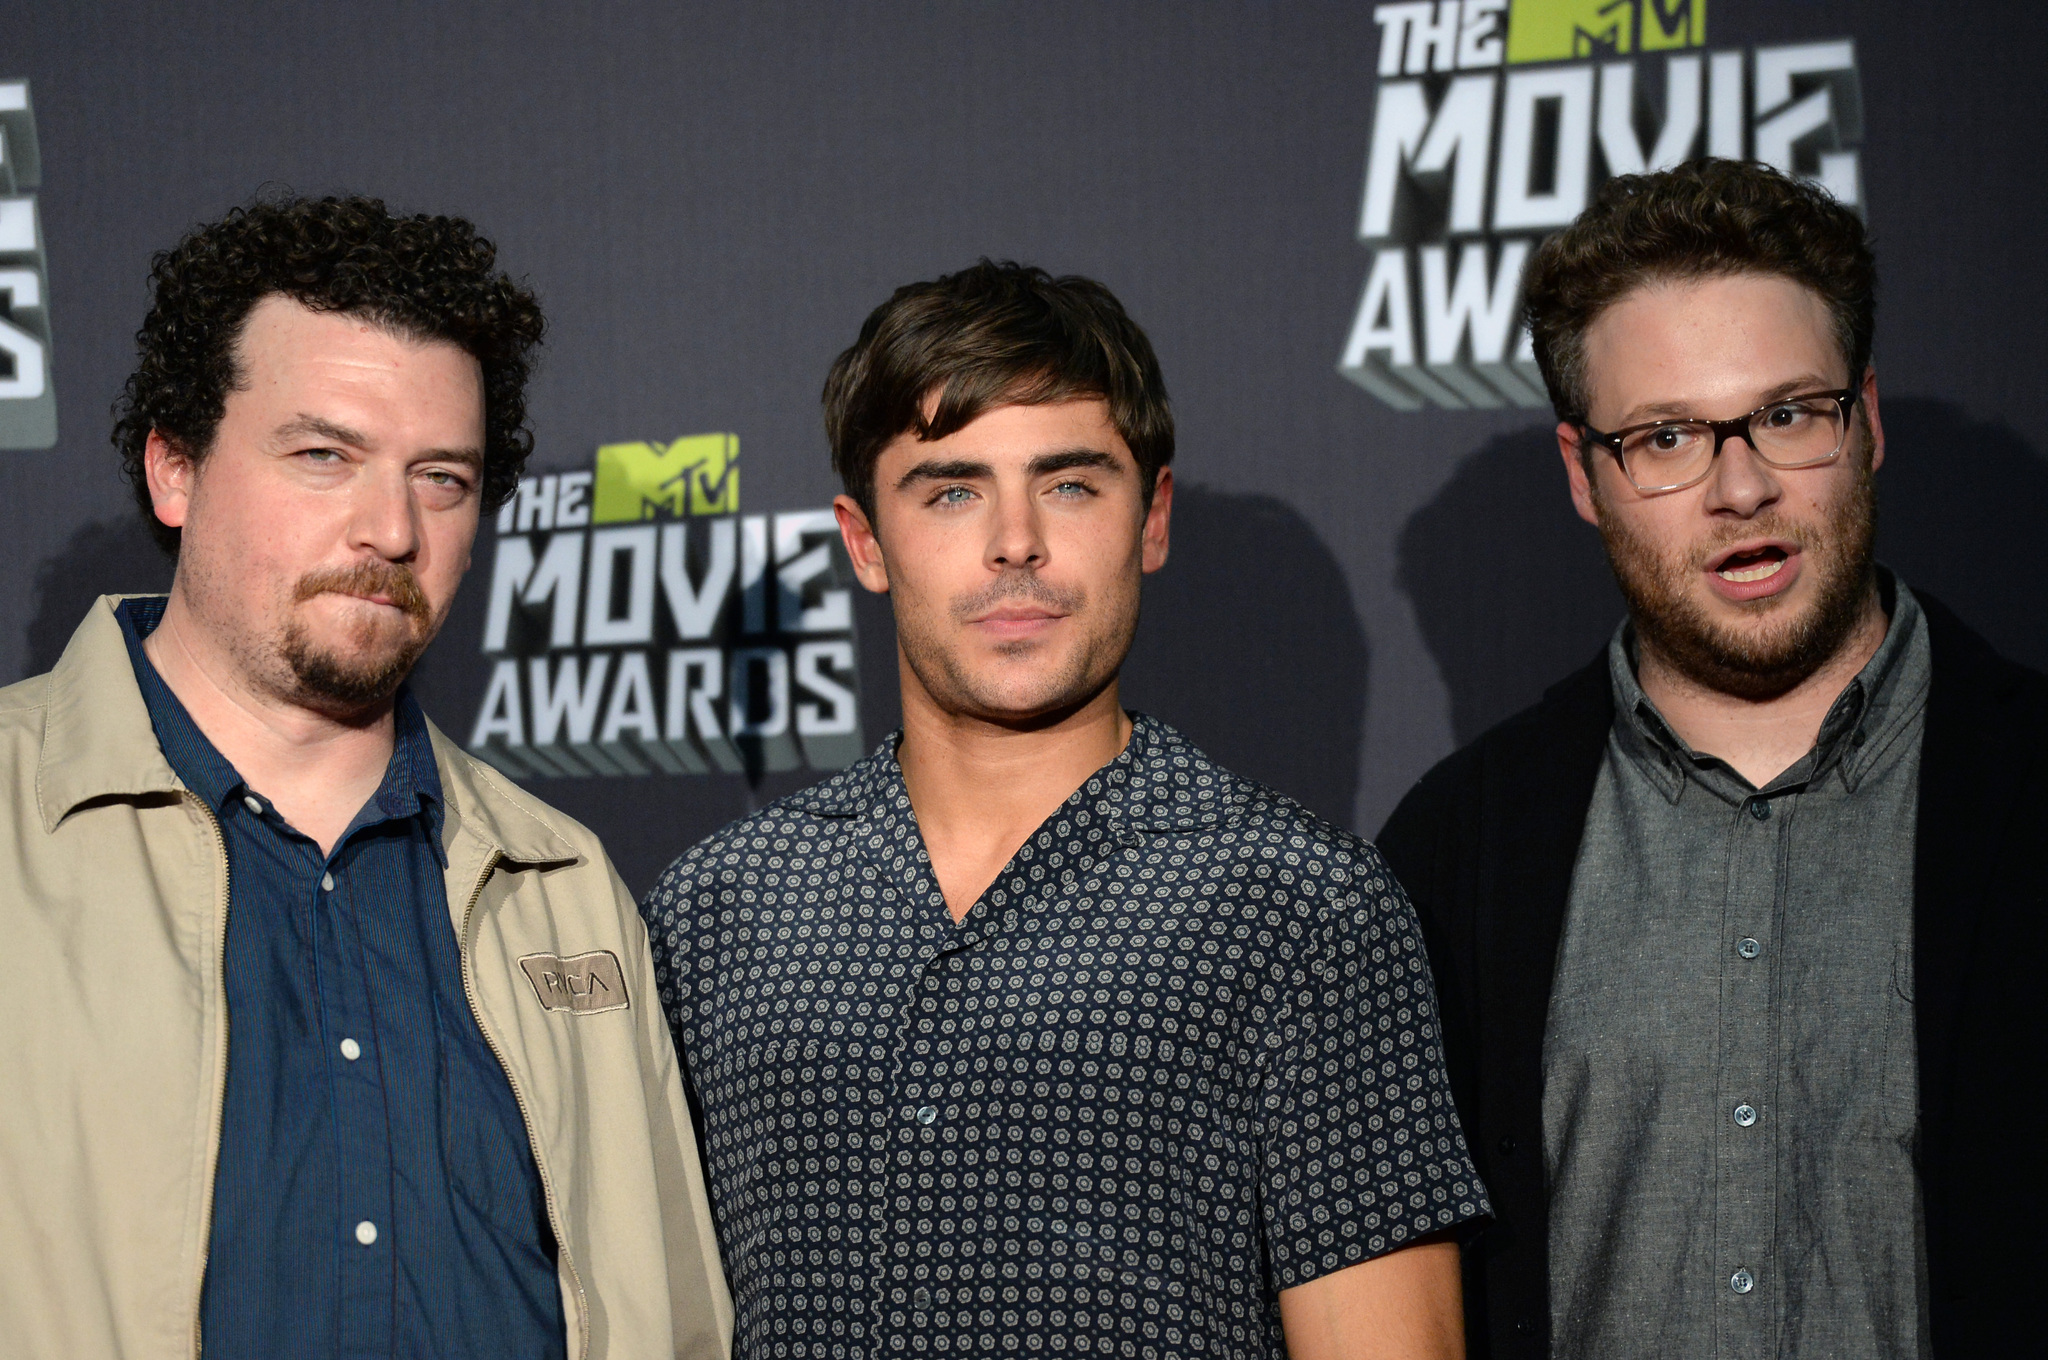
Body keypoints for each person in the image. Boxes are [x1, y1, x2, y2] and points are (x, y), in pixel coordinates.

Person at [641, 260, 1488, 1359]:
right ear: (863, 542)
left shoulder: (1300, 909)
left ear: (1152, 518)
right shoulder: (717, 910)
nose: (1014, 542)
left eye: (1071, 484)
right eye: (950, 490)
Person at [0, 196, 730, 1359]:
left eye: (441, 477)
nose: (390, 528)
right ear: (174, 468)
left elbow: (677, 1321)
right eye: (323, 456)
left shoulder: (563, 879)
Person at [1377, 158, 2048, 1358]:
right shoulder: (1453, 851)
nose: (1739, 488)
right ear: (1583, 474)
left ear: (1869, 420)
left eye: (1788, 414)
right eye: (1667, 437)